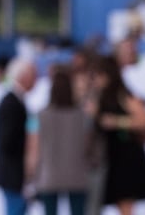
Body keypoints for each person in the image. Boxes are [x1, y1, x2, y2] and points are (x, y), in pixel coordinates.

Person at [91, 55, 145, 215]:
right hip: (110, 157)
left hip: (126, 158)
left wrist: (117, 122)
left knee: (126, 205)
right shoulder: (100, 97)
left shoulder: (123, 95)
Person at [34, 65, 91, 215]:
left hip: (49, 176)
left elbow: (33, 149)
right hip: (77, 174)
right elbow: (88, 144)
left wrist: (30, 175)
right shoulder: (83, 116)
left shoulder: (39, 116)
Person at [0, 57, 39, 215]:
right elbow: (7, 140)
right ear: (23, 77)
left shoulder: (18, 101)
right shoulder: (11, 103)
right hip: (12, 173)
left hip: (15, 174)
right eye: (33, 75)